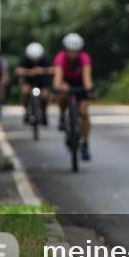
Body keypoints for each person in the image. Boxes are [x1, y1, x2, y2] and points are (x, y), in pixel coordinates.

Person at [53, 32, 95, 161]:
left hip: (80, 84)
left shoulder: (84, 58)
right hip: (66, 84)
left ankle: (85, 144)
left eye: (76, 51)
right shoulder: (60, 58)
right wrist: (57, 87)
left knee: (83, 113)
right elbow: (58, 77)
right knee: (63, 90)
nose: (73, 54)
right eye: (70, 51)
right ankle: (62, 116)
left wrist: (89, 88)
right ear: (66, 50)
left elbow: (87, 77)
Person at [15, 42, 54, 125]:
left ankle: (43, 112)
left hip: (42, 82)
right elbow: (18, 70)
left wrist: (43, 70)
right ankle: (26, 111)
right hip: (29, 80)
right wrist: (29, 72)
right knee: (25, 92)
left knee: (45, 95)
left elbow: (54, 69)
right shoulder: (25, 59)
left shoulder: (45, 59)